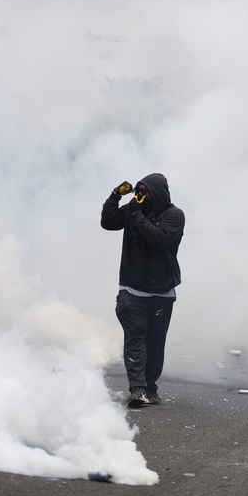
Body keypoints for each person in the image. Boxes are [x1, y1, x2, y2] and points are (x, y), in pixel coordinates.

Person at [101, 173, 185, 407]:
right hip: (131, 289)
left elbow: (157, 238)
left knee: (155, 343)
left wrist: (137, 215)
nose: (140, 196)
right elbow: (109, 222)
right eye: (137, 191)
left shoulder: (174, 216)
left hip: (161, 291)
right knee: (135, 339)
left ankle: (150, 386)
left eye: (144, 191)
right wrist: (115, 195)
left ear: (157, 193)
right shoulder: (133, 208)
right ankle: (137, 389)